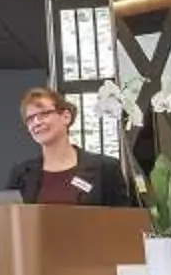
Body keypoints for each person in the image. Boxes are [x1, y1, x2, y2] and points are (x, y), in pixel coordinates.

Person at [7, 85, 136, 206]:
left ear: (66, 117)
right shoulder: (21, 174)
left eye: (44, 114)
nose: (36, 122)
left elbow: (122, 221)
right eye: (30, 118)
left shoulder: (105, 168)